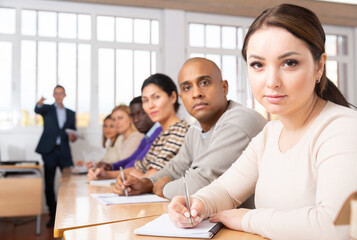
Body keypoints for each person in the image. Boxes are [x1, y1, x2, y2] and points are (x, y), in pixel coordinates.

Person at [168, 4, 357, 240]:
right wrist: (195, 204)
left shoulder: (344, 128)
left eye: (289, 63)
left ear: (319, 66)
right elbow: (226, 190)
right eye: (257, 65)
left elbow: (336, 226)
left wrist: (246, 218)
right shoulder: (271, 133)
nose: (271, 81)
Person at [113, 57, 266, 200]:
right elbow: (174, 169)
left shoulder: (239, 121)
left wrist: (164, 188)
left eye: (204, 83)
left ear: (224, 87)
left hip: (255, 225)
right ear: (181, 97)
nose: (196, 93)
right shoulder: (196, 129)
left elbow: (199, 183)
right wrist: (145, 183)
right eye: (187, 88)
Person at [89, 73, 189, 180]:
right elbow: (138, 168)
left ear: (173, 97)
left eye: (156, 97)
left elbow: (154, 175)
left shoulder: (179, 131)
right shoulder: (161, 135)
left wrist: (136, 181)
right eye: (145, 100)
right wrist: (105, 174)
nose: (150, 105)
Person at [87, 96, 162, 178]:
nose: (136, 120)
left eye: (141, 113)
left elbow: (135, 165)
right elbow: (131, 160)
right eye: (114, 119)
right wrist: (111, 167)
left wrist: (107, 174)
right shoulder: (146, 137)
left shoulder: (150, 134)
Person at [34, 85, 77, 228]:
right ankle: (53, 215)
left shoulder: (71, 113)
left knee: (69, 184)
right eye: (56, 93)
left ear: (65, 95)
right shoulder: (47, 109)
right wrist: (39, 103)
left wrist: (73, 137)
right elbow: (37, 110)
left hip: (64, 152)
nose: (58, 96)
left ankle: (67, 215)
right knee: (49, 184)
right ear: (53, 95)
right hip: (49, 152)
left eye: (61, 93)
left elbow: (74, 133)